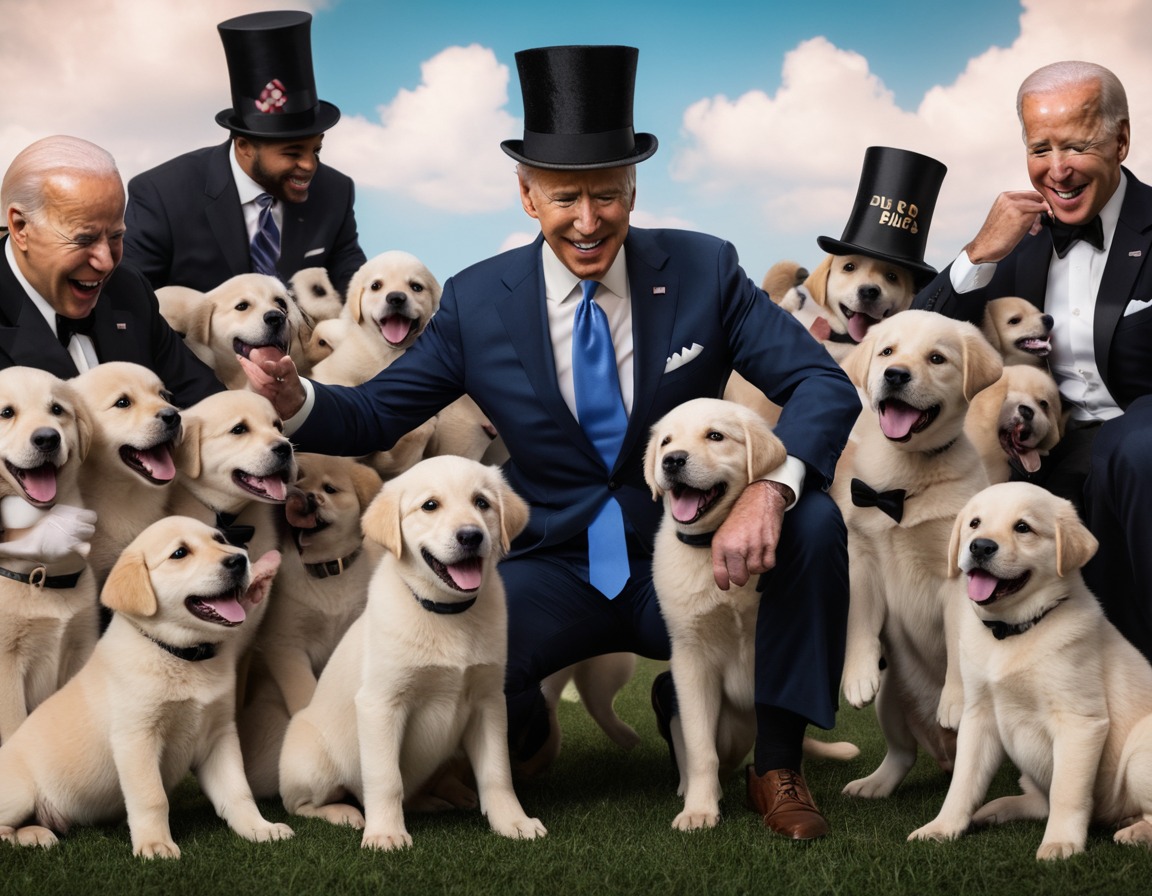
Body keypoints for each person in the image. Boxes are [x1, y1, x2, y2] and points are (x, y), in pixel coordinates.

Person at [242, 45, 859, 840]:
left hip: (690, 552)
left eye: (608, 195)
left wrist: (769, 494)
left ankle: (775, 763)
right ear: (528, 197)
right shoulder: (476, 301)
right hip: (555, 563)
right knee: (486, 682)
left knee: (811, 521)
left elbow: (823, 382)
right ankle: (532, 733)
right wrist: (299, 400)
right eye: (566, 196)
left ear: (633, 190)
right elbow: (373, 416)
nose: (589, 218)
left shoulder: (706, 271)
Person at [912, 60, 1152, 662]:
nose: (1058, 168)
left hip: (1141, 441)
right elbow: (916, 334)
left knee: (1133, 449)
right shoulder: (1015, 239)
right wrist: (978, 253)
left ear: (1121, 141)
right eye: (1040, 148)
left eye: (1077, 145)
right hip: (1046, 451)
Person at [1, 134, 223, 563]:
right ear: (20, 227)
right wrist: (11, 536)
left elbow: (201, 402)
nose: (106, 261)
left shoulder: (129, 289)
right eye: (84, 239)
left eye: (116, 236)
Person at [123, 10, 366, 297]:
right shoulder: (162, 195)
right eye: (292, 153)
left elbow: (356, 293)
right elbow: (130, 303)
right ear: (244, 147)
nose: (309, 164)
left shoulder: (336, 192)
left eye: (317, 149)